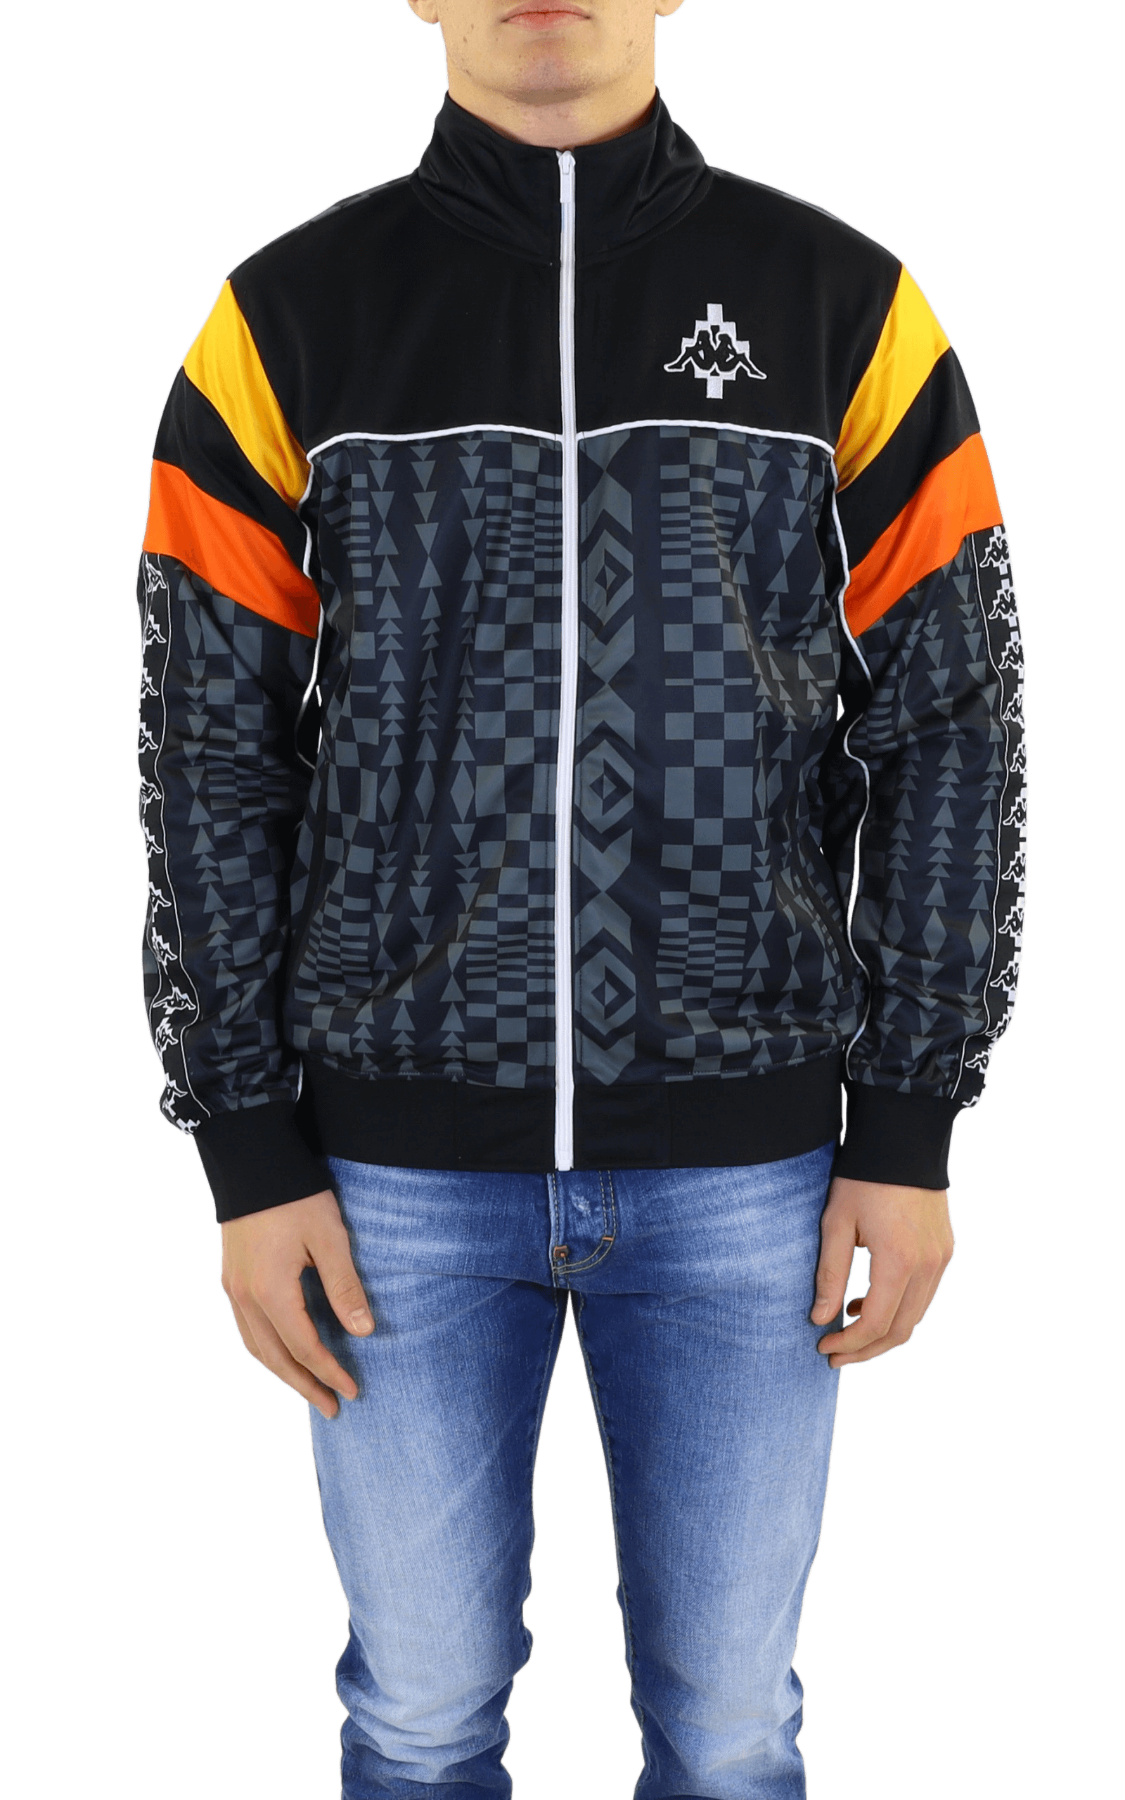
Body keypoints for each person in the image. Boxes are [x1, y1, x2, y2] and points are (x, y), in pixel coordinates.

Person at [135, 1, 1027, 1794]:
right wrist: (245, 1147)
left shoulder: (846, 304)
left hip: (752, 1170)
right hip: (386, 1178)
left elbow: (954, 719)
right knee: (416, 1721)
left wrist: (913, 1124)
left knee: (731, 1737)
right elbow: (207, 747)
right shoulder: (284, 319)